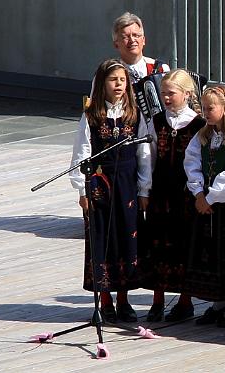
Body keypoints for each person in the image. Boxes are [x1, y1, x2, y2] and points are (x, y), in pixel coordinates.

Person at [70, 59, 151, 323]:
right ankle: (105, 300)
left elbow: (144, 153)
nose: (118, 85)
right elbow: (81, 153)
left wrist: (144, 189)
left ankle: (124, 299)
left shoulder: (134, 113)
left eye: (122, 80)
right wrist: (81, 189)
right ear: (102, 83)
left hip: (127, 182)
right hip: (99, 183)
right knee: (102, 238)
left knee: (126, 237)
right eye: (113, 80)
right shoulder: (91, 115)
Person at [140, 70, 206, 322]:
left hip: (185, 194)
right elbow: (148, 157)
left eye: (171, 93)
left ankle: (184, 300)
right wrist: (145, 189)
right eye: (164, 93)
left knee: (184, 244)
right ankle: (157, 301)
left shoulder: (198, 125)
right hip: (161, 192)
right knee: (158, 244)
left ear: (187, 94)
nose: (166, 97)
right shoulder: (156, 121)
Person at [182, 85, 225, 327]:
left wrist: (209, 198)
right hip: (206, 204)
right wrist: (198, 192)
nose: (205, 113)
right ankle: (216, 302)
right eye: (204, 108)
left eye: (210, 108)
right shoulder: (203, 136)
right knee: (211, 252)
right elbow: (191, 162)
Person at [111, 12, 170, 84]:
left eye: (136, 35)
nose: (132, 40)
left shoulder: (161, 69)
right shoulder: (108, 73)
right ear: (116, 44)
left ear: (143, 40)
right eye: (125, 37)